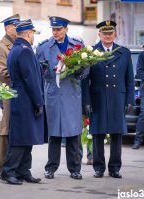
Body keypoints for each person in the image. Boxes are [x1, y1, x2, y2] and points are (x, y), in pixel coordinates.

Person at [82, 20, 135, 179]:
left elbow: (129, 79)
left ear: (114, 34)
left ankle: (115, 168)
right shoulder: (91, 52)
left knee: (116, 134)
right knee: (97, 133)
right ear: (99, 35)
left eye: (110, 33)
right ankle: (98, 167)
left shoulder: (123, 53)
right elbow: (85, 80)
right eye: (104, 33)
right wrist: (86, 101)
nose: (108, 36)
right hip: (97, 98)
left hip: (117, 98)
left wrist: (129, 100)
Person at [36, 16, 85, 180]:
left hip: (71, 93)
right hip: (54, 94)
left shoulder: (77, 45)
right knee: (54, 134)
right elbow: (38, 72)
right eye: (53, 29)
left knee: (73, 134)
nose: (55, 32)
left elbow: (86, 68)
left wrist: (79, 72)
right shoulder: (43, 47)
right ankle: (51, 168)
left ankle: (75, 169)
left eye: (58, 29)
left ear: (66, 29)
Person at [1, 19, 45, 185]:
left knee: (27, 137)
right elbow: (30, 80)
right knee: (20, 139)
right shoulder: (25, 50)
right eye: (33, 33)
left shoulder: (16, 48)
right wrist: (39, 102)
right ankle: (9, 171)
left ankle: (23, 171)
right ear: (28, 33)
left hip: (20, 98)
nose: (33, 36)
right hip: (26, 99)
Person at [0, 13, 20, 178]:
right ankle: (2, 169)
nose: (18, 29)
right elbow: (2, 73)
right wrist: (25, 73)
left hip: (19, 94)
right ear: (8, 28)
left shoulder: (20, 44)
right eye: (16, 26)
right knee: (5, 133)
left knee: (17, 132)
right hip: (6, 95)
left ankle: (15, 168)